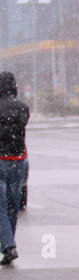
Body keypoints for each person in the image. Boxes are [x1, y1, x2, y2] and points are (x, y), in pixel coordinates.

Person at [0, 71, 30, 265]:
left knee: (0, 205)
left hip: (0, 159)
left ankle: (9, 245)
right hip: (19, 159)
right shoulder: (23, 108)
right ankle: (9, 243)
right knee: (13, 204)